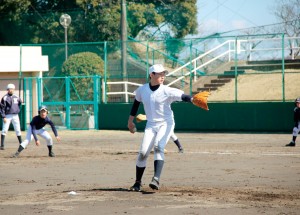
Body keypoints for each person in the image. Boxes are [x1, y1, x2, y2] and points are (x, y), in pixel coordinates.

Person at [127, 64, 194, 192]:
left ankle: (156, 179)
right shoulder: (142, 90)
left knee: (158, 147)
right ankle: (137, 183)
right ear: (151, 75)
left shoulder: (166, 90)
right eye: (160, 74)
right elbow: (136, 104)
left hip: (166, 123)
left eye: (164, 74)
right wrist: (130, 122)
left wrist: (192, 99)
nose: (163, 76)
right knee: (143, 152)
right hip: (151, 125)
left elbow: (182, 96)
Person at [0, 83, 22, 150]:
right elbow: (2, 108)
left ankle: (21, 144)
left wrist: (17, 110)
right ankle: (2, 145)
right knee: (4, 130)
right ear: (7, 90)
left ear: (14, 89)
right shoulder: (5, 97)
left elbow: (20, 104)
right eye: (10, 89)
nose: (11, 90)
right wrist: (3, 116)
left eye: (12, 89)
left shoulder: (17, 97)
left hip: (15, 115)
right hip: (8, 115)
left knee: (18, 129)